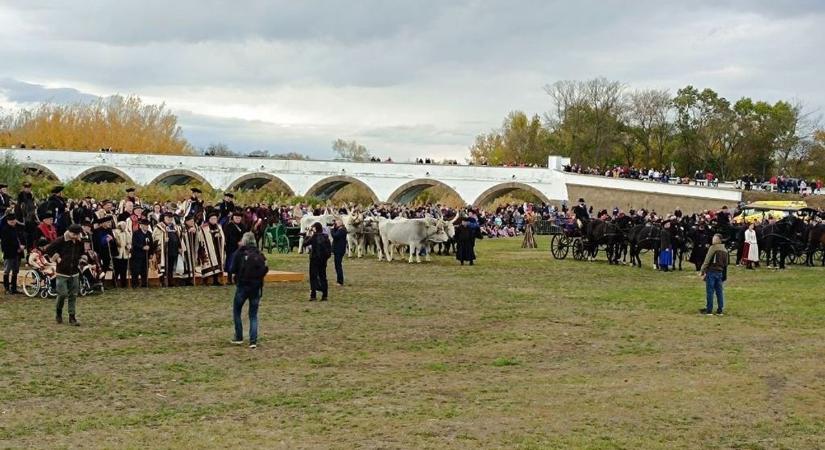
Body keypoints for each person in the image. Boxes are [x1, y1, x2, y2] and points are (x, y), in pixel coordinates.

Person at [229, 232, 268, 349]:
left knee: (237, 311)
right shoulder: (260, 254)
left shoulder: (239, 253)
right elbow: (265, 269)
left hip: (242, 286)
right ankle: (253, 340)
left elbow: (232, 268)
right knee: (253, 315)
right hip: (256, 287)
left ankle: (239, 336)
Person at [44, 224, 85, 325]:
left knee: (73, 295)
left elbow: (82, 252)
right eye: (74, 234)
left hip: (74, 272)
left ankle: (72, 317)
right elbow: (48, 249)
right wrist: (57, 258)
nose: (75, 236)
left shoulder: (80, 242)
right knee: (62, 294)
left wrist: (81, 260)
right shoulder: (61, 240)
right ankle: (58, 313)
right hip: (62, 272)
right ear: (69, 232)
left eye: (77, 234)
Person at [700, 234, 728, 316]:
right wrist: (724, 275)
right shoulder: (725, 250)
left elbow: (707, 260)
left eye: (714, 238)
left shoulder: (713, 248)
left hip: (711, 272)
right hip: (720, 272)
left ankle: (709, 310)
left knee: (710, 291)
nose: (713, 240)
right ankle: (720, 309)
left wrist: (702, 271)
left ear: (718, 240)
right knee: (719, 292)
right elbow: (726, 264)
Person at [198, 212, 225, 286]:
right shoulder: (204, 227)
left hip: (217, 247)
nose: (214, 220)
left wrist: (219, 236)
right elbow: (200, 237)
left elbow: (222, 236)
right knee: (209, 263)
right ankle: (208, 280)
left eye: (215, 219)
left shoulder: (219, 226)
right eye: (212, 219)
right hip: (208, 248)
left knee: (217, 263)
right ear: (209, 219)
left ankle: (216, 280)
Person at [1, 215, 25, 294]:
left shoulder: (17, 228)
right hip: (9, 252)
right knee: (7, 271)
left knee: (15, 271)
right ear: (7, 221)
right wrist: (18, 247)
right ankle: (7, 288)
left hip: (18, 253)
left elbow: (21, 238)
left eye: (13, 220)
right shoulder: (5, 230)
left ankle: (14, 288)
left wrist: (22, 246)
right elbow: (6, 243)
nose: (12, 221)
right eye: (11, 220)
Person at [306, 222, 330, 301]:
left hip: (314, 259)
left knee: (313, 277)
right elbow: (329, 248)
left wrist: (307, 235)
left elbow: (305, 244)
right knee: (323, 276)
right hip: (323, 260)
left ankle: (313, 295)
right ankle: (325, 295)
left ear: (315, 228)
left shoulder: (314, 237)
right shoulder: (326, 237)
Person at [222, 211, 246, 285]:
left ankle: (237, 278)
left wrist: (243, 241)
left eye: (239, 218)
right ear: (233, 218)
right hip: (231, 247)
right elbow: (228, 237)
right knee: (231, 263)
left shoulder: (242, 226)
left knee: (240, 263)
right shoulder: (229, 226)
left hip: (241, 248)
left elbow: (245, 234)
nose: (238, 219)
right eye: (236, 217)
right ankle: (229, 279)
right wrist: (237, 242)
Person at [130, 219, 152, 288]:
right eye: (145, 225)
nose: (147, 227)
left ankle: (144, 283)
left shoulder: (149, 233)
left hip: (146, 255)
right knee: (136, 270)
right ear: (141, 226)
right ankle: (135, 284)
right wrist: (142, 247)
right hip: (137, 255)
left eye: (147, 225)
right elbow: (134, 243)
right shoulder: (136, 233)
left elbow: (151, 243)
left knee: (145, 270)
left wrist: (150, 250)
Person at [112, 221, 132, 288]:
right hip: (118, 254)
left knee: (124, 270)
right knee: (116, 269)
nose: (124, 226)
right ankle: (114, 283)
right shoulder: (116, 232)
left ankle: (123, 284)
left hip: (125, 254)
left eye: (125, 225)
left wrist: (129, 246)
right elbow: (115, 242)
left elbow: (129, 241)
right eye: (123, 225)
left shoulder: (127, 232)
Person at [330, 218, 347, 286]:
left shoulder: (342, 230)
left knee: (338, 266)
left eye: (336, 223)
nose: (335, 225)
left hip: (339, 250)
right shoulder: (340, 229)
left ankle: (340, 281)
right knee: (337, 265)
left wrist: (332, 229)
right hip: (338, 250)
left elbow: (335, 236)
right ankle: (339, 280)